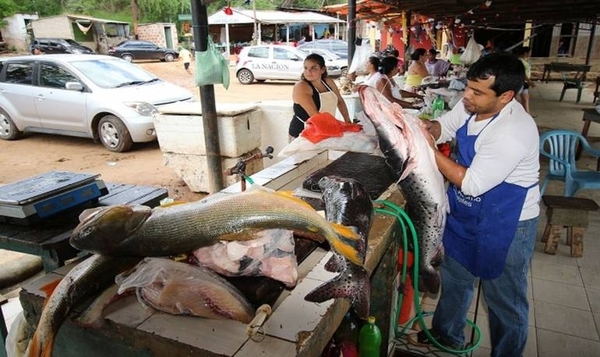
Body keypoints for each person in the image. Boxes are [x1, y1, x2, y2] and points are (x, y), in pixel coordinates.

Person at [417, 53, 540, 356]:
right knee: (456, 279)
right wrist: (422, 130)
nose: (466, 96)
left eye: (477, 92)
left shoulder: (512, 132)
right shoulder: (472, 103)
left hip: (508, 222)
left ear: (506, 97)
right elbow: (444, 126)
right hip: (467, 211)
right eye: (469, 88)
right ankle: (448, 335)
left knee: (504, 301)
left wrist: (423, 151)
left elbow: (472, 182)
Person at [288, 53, 351, 140]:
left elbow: (340, 101)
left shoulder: (328, 82)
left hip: (323, 130)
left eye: (313, 68)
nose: (308, 71)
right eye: (306, 68)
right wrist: (337, 128)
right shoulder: (301, 86)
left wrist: (348, 121)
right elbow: (314, 115)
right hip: (303, 133)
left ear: (322, 69)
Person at [515, 46, 536, 115]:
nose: (530, 54)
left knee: (525, 98)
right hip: (521, 81)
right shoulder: (520, 61)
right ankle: (516, 113)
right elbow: (522, 73)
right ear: (525, 53)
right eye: (530, 52)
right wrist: (529, 81)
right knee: (516, 98)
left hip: (525, 83)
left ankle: (527, 114)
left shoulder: (525, 60)